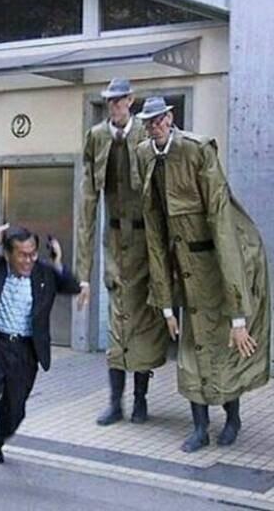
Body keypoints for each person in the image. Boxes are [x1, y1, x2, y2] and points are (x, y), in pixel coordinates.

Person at [135, 96, 270, 452]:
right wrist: (166, 305)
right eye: (148, 122)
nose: (154, 127)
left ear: (170, 118)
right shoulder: (144, 155)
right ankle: (200, 428)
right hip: (183, 271)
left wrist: (238, 315)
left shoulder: (197, 150)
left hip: (215, 266)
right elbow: (154, 234)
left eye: (159, 120)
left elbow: (222, 226)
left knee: (224, 349)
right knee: (191, 353)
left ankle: (232, 418)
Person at [76, 78, 168, 427]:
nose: (114, 106)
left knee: (144, 321)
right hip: (115, 240)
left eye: (119, 100)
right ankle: (115, 403)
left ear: (130, 100)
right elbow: (87, 206)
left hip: (146, 239)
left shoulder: (145, 134)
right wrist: (83, 275)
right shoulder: (97, 137)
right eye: (109, 101)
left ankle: (141, 399)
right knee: (118, 323)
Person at [0, 224, 80, 473]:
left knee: (15, 409)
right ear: (7, 254)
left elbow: (72, 287)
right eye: (22, 255)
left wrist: (57, 262)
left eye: (32, 253)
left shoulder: (44, 273)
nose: (28, 260)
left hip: (26, 350)